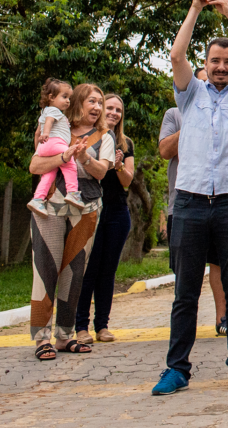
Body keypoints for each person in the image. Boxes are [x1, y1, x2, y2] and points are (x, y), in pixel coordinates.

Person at [153, 0, 228, 396]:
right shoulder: (189, 95)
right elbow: (175, 55)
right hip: (190, 201)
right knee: (185, 291)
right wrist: (196, 8)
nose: (221, 67)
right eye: (215, 60)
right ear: (205, 64)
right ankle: (177, 369)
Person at [27, 83, 112, 361]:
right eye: (92, 101)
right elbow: (35, 166)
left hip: (85, 210)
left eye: (100, 102)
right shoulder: (54, 129)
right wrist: (63, 156)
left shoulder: (104, 135)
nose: (97, 107)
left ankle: (64, 336)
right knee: (45, 270)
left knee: (74, 274)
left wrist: (84, 157)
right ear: (77, 102)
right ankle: (42, 338)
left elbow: (101, 172)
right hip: (48, 209)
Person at [158, 67, 225, 331]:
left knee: (219, 263)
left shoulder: (227, 113)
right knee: (185, 270)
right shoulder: (175, 114)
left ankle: (223, 319)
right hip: (183, 203)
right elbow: (165, 150)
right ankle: (186, 325)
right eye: (199, 84)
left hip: (220, 202)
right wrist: (192, 119)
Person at [75, 94, 136, 344]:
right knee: (88, 270)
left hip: (116, 212)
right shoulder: (87, 138)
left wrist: (119, 165)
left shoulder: (125, 143)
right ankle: (81, 327)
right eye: (108, 107)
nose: (113, 113)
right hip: (90, 209)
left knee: (107, 271)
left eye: (118, 110)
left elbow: (127, 181)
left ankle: (102, 326)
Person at [28, 78, 82, 213]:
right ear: (51, 97)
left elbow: (37, 133)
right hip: (55, 143)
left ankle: (38, 199)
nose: (68, 101)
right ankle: (73, 192)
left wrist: (39, 150)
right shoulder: (54, 111)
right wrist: (46, 134)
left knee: (49, 173)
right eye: (64, 97)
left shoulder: (45, 111)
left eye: (69, 98)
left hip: (45, 146)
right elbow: (49, 122)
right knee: (70, 164)